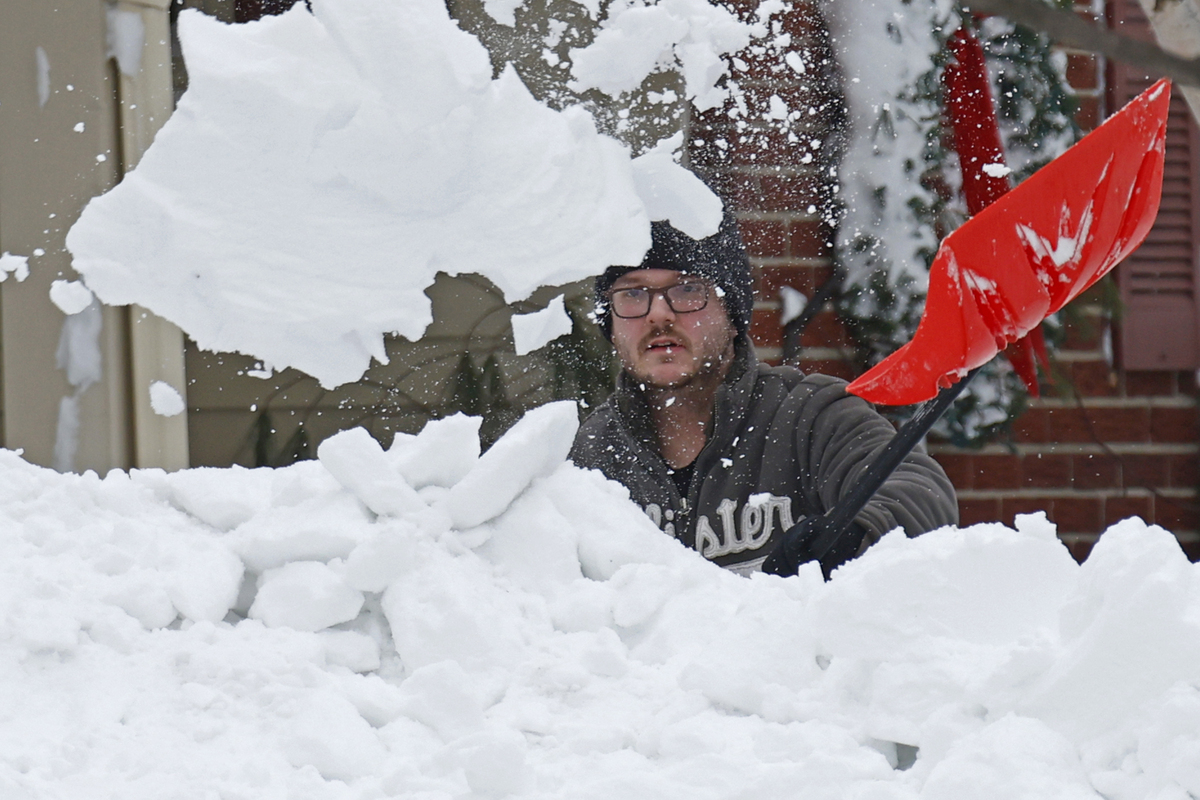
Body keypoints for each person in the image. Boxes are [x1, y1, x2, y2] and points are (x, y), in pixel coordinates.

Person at [569, 215, 958, 578]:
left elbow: (919, 492)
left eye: (688, 290)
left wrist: (855, 533)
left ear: (732, 315)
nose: (658, 314)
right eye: (633, 295)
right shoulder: (587, 455)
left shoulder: (810, 417)